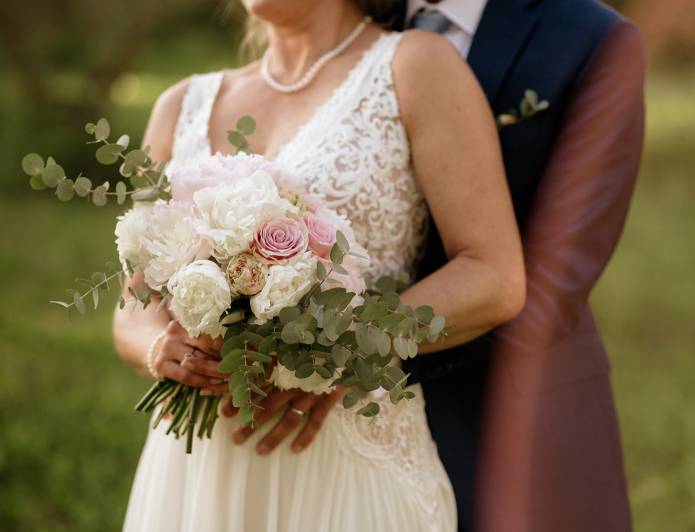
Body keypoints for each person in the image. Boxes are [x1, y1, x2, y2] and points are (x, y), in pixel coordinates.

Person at [112, 1, 526, 530]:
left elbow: (495, 278)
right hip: (197, 470)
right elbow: (133, 304)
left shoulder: (416, 67)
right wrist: (159, 350)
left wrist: (336, 345)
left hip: (350, 462)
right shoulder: (180, 104)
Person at [398, 1, 645, 531]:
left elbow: (555, 281)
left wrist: (356, 361)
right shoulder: (348, 18)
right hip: (339, 429)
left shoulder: (594, 40)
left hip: (508, 412)